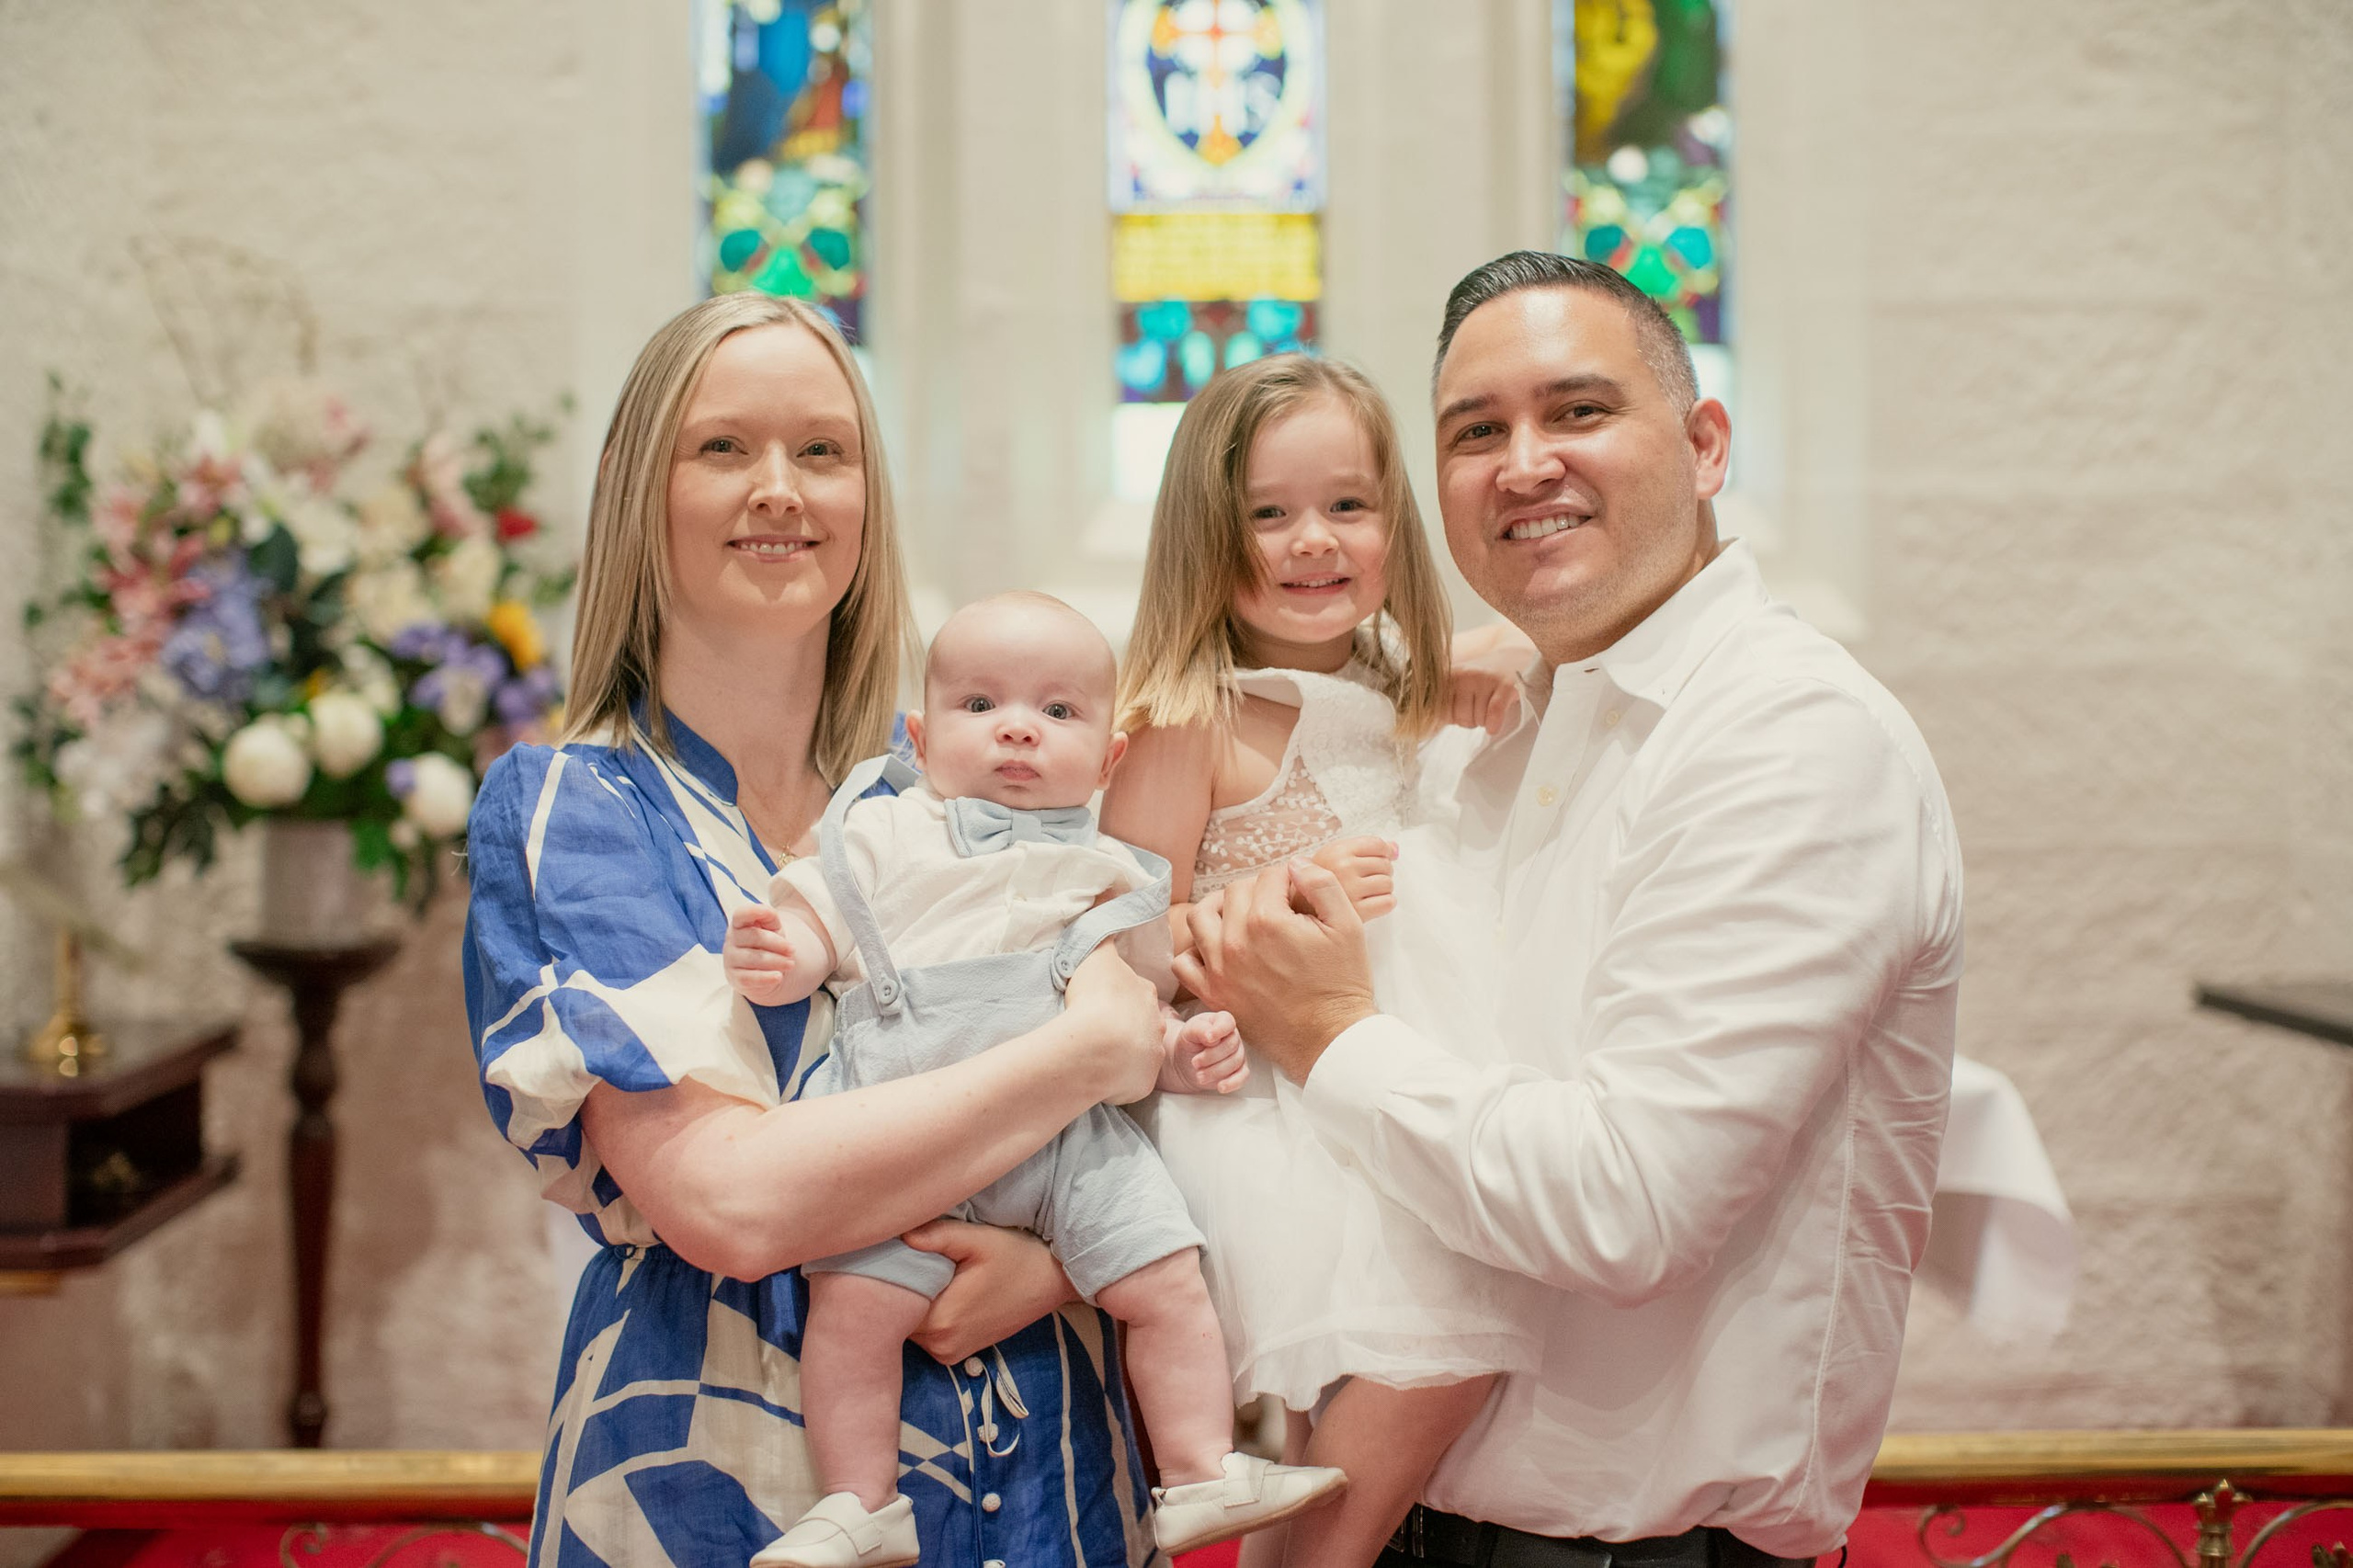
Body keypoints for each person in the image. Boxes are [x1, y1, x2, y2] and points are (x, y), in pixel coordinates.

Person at [1174, 252, 1965, 1568]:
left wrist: (1323, 1029)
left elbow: (1627, 1205)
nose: (1523, 463)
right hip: (1403, 1517)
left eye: (1579, 412)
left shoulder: (1787, 739)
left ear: (1707, 445)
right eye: (1476, 433)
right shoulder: (1485, 739)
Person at [464, 292, 1174, 1568]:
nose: (781, 489)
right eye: (724, 447)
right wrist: (1083, 1053)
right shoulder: (578, 805)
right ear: (643, 491)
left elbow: (1157, 1113)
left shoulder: (948, 792)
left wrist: (1063, 1264)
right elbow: (730, 1201)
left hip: (1038, 1447)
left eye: (824, 451)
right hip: (724, 1452)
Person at [722, 592, 1347, 1566]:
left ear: (1107, 761)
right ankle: (858, 1501)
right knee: (854, 1313)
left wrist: (1187, 1057)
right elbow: (821, 910)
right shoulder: (889, 832)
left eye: (1057, 712)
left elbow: (1138, 1022)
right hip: (904, 1127)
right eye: (980, 704)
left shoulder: (1114, 874)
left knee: (1167, 1277)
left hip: (1068, 1141)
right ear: (922, 737)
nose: (1017, 726)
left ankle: (1196, 1469)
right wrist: (791, 951)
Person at [1102, 354, 1543, 1568]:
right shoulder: (1196, 715)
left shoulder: (1412, 690)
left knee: (1422, 1378)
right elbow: (1123, 940)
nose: (1314, 541)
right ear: (1206, 532)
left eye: (1349, 505)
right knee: (1439, 1337)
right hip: (1272, 1104)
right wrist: (1267, 899)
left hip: (1406, 1066)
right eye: (1268, 512)